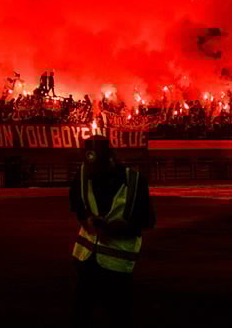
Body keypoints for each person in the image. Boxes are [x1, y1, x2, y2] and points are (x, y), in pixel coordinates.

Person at [69, 136, 156, 328]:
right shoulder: (84, 173)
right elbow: (76, 205)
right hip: (88, 259)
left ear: (111, 160)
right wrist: (87, 220)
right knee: (84, 312)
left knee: (117, 314)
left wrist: (116, 229)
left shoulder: (134, 182)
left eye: (97, 169)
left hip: (116, 264)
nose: (93, 175)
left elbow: (148, 220)